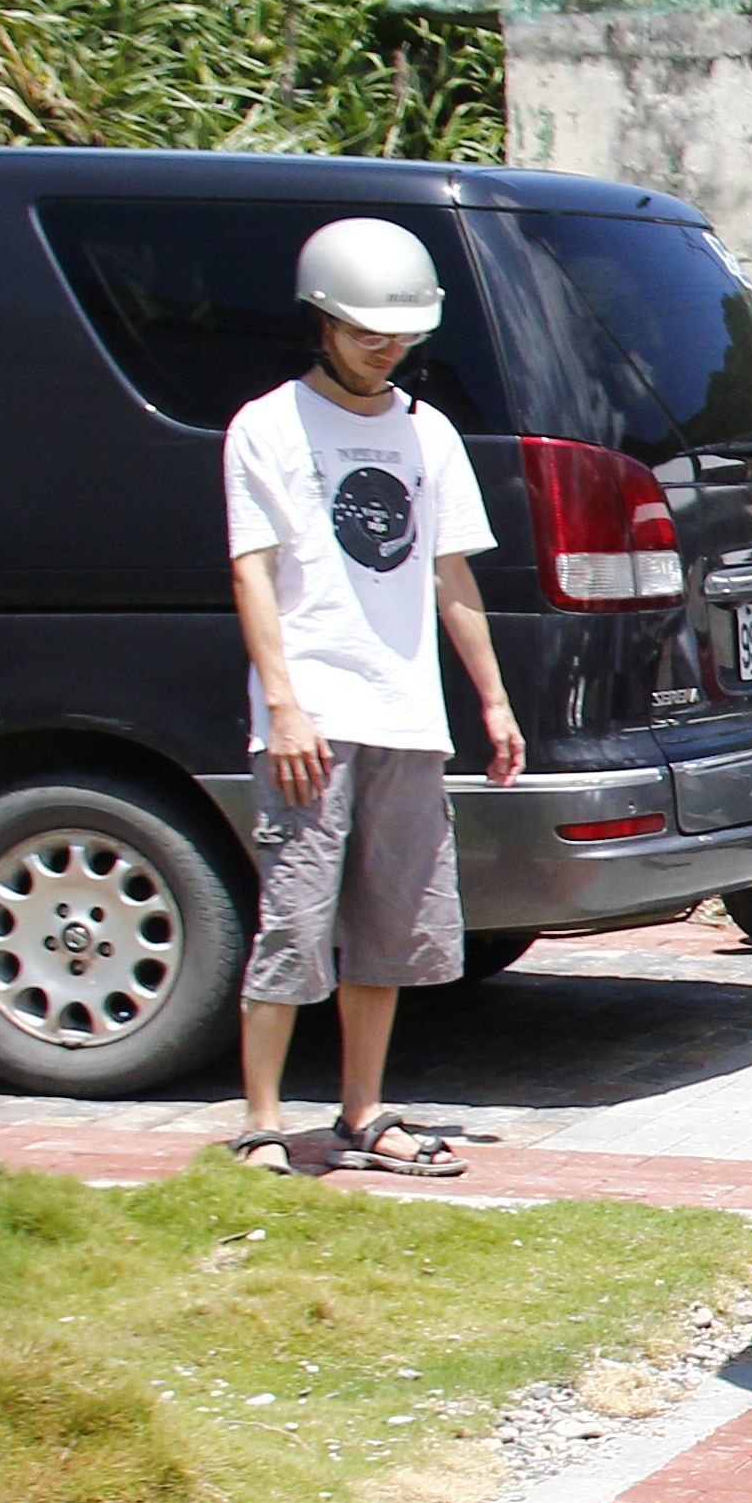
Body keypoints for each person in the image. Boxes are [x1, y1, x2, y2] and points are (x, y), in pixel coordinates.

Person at [217, 215, 522, 1180]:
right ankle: (261, 1122)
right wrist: (284, 705)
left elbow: (452, 576)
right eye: (365, 333)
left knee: (391, 927)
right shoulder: (267, 426)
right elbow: (252, 572)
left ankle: (363, 1112)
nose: (384, 349)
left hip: (405, 712)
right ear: (322, 321)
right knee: (295, 921)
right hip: (310, 714)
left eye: (400, 334)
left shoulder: (427, 434)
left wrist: (493, 700)